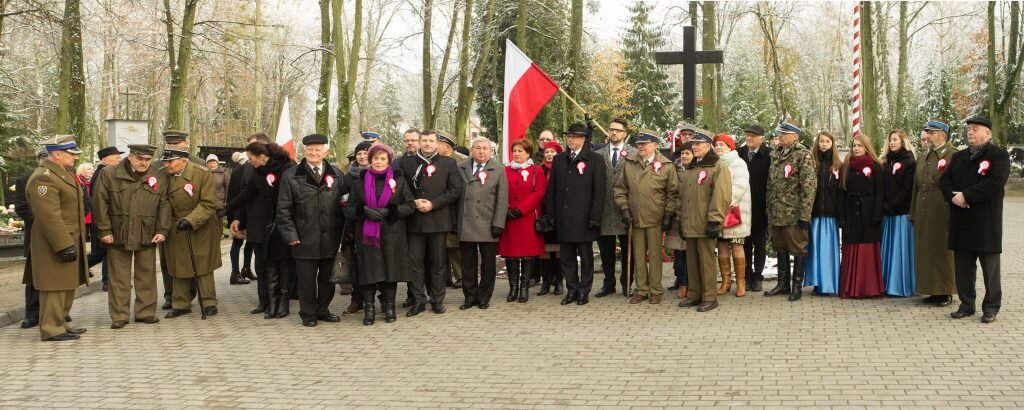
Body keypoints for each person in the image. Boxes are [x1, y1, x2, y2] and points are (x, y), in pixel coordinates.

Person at [941, 116, 1010, 323]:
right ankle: (966, 304)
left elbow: (995, 182)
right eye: (969, 129)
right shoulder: (960, 156)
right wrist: (954, 197)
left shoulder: (998, 155)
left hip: (985, 220)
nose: (970, 132)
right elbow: (945, 179)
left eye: (975, 129)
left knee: (990, 267)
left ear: (987, 134)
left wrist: (967, 196)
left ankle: (991, 307)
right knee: (963, 266)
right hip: (962, 219)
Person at [92, 145, 169, 329]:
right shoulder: (109, 174)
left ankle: (146, 312)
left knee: (146, 275)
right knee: (119, 277)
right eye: (140, 158)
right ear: (130, 157)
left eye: (147, 159)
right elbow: (99, 202)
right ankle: (119, 315)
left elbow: (164, 204)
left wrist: (162, 230)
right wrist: (105, 230)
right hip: (118, 232)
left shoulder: (158, 175)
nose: (144, 163)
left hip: (147, 232)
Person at [276, 134, 348, 327]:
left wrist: (343, 234)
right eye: (310, 149)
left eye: (318, 149)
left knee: (327, 278)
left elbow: (344, 205)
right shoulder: (291, 176)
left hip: (330, 237)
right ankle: (308, 313)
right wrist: (290, 235)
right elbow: (283, 210)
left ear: (326, 152)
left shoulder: (337, 174)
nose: (313, 153)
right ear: (304, 151)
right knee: (306, 281)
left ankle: (322, 309)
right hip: (303, 237)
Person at [345, 144, 418, 325]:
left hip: (392, 234)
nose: (379, 162)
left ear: (389, 161)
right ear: (370, 160)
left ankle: (389, 308)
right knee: (369, 271)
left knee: (389, 272)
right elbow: (348, 209)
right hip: (366, 236)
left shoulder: (399, 181)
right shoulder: (358, 182)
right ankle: (369, 310)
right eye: (376, 158)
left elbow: (410, 205)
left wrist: (391, 211)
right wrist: (362, 211)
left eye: (383, 159)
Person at [26, 135, 89, 341]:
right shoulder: (44, 177)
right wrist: (63, 245)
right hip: (54, 242)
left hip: (68, 238)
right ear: (57, 153)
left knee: (66, 283)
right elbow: (49, 216)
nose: (75, 158)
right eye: (72, 154)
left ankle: (60, 322)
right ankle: (51, 328)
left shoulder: (61, 173)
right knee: (54, 285)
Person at [398, 130, 465, 316]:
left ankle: (437, 300)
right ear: (419, 143)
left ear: (437, 144)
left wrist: (433, 204)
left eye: (431, 141)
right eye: (424, 140)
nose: (427, 144)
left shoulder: (449, 164)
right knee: (415, 263)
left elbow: (455, 190)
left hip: (438, 220)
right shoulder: (407, 164)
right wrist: (414, 201)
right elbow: (402, 188)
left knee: (438, 263)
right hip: (415, 220)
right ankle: (419, 300)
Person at [228, 142, 296, 319]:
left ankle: (283, 303)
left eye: (251, 158)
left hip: (283, 226)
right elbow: (246, 194)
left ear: (262, 156)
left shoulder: (287, 168)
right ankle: (269, 303)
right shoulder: (258, 172)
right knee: (267, 266)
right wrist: (225, 209)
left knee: (284, 266)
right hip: (265, 228)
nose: (249, 162)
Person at [614, 129, 679, 305]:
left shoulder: (666, 165)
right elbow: (620, 189)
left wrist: (668, 214)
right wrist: (625, 209)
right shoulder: (630, 163)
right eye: (639, 144)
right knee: (638, 255)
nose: (640, 147)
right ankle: (641, 289)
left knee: (656, 256)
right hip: (635, 218)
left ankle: (656, 290)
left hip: (656, 218)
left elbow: (672, 193)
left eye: (644, 144)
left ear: (655, 145)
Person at [545, 122, 606, 306]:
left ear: (583, 139)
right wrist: (551, 215)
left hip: (584, 219)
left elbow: (599, 192)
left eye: (575, 137)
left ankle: (584, 291)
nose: (571, 139)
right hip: (564, 219)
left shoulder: (594, 160)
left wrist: (595, 217)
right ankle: (571, 289)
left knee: (586, 258)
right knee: (567, 258)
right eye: (569, 136)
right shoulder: (559, 160)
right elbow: (552, 190)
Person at [159, 147, 221, 318]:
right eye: (165, 161)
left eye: (170, 161)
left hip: (200, 226)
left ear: (184, 160)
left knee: (202, 264)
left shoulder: (202, 174)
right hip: (174, 226)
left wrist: (191, 220)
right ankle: (180, 303)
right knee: (178, 265)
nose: (167, 165)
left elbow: (208, 203)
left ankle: (208, 301)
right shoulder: (164, 175)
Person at [676, 130, 731, 312]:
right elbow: (682, 196)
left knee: (706, 262)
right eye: (693, 143)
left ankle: (709, 297)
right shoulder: (691, 167)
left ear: (708, 146)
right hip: (690, 222)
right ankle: (695, 294)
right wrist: (681, 219)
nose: (695, 146)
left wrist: (715, 220)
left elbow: (721, 195)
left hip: (706, 222)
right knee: (692, 261)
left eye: (698, 143)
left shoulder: (717, 166)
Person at [764, 120, 816, 301]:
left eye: (784, 134)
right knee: (780, 247)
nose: (780, 136)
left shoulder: (802, 155)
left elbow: (808, 187)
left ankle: (796, 286)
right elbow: (771, 184)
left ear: (795, 136)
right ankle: (783, 284)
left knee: (798, 249)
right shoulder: (776, 153)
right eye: (780, 133)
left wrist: (805, 214)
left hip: (793, 212)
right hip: (776, 211)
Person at [455, 137, 508, 309]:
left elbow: (502, 199)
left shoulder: (499, 170)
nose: (482, 151)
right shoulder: (460, 168)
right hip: (466, 222)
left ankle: (484, 296)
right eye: (478, 148)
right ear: (471, 150)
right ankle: (469, 297)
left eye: (485, 148)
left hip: (488, 222)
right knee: (467, 264)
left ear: (491, 151)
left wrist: (498, 223)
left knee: (488, 264)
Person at [911, 120, 958, 307]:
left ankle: (945, 290)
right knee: (926, 250)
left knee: (942, 250)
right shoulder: (924, 156)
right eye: (927, 132)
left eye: (931, 132)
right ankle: (931, 289)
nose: (927, 136)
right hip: (924, 205)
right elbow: (916, 186)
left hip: (942, 206)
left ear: (943, 134)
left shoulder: (953, 155)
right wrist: (913, 212)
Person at [498, 138, 548, 303]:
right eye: (515, 151)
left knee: (527, 254)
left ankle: (524, 288)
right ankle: (513, 288)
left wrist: (520, 210)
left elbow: (539, 193)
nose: (517, 154)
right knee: (511, 254)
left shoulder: (536, 170)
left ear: (528, 153)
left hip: (527, 218)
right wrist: (506, 209)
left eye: (521, 151)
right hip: (509, 218)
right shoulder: (505, 170)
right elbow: (500, 191)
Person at [838, 134, 884, 299]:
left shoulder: (876, 166)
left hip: (869, 212)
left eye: (860, 146)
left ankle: (868, 287)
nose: (856, 148)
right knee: (851, 247)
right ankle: (851, 287)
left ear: (867, 147)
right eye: (854, 145)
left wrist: (877, 213)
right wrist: (841, 214)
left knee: (867, 249)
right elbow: (842, 191)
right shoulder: (847, 166)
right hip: (851, 213)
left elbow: (880, 192)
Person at [595, 118, 637, 298]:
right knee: (606, 250)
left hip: (626, 209)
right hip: (604, 208)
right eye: (611, 129)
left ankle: (627, 283)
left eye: (618, 130)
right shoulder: (598, 154)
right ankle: (608, 283)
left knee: (629, 249)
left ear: (625, 134)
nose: (614, 133)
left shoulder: (633, 153)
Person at [709, 133, 750, 297]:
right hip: (719, 212)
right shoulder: (714, 163)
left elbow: (740, 187)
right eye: (716, 145)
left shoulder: (738, 163)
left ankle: (741, 282)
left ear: (730, 147)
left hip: (735, 211)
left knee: (737, 246)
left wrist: (723, 203)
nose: (718, 147)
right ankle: (726, 281)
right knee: (722, 246)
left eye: (722, 145)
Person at [880, 130, 917, 297]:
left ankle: (901, 285)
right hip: (886, 213)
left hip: (901, 213)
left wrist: (893, 205)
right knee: (887, 249)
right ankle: (886, 283)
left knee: (900, 250)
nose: (892, 143)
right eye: (890, 140)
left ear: (903, 141)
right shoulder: (885, 162)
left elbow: (907, 189)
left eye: (895, 140)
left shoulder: (909, 161)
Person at [15, 150, 50, 329]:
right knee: (34, 276)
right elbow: (22, 208)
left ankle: (58, 312)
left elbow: (83, 203)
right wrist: (45, 223)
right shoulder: (25, 180)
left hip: (62, 234)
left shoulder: (66, 177)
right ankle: (32, 313)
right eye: (43, 158)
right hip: (36, 234)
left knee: (58, 275)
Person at [805, 131, 842, 296]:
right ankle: (817, 282)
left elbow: (841, 191)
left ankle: (829, 282)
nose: (824, 144)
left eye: (827, 141)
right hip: (816, 214)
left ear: (832, 144)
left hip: (831, 214)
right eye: (822, 141)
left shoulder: (838, 165)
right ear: (817, 143)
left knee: (828, 250)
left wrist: (840, 214)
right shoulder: (812, 163)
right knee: (816, 250)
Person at [340, 140, 374, 313]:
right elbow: (342, 199)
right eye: (359, 153)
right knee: (357, 265)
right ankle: (357, 299)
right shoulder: (348, 176)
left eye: (365, 153)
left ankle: (382, 298)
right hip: (355, 225)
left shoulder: (381, 173)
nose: (362, 156)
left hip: (376, 224)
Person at [736, 124, 770, 292]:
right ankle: (747, 275)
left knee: (760, 245)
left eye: (753, 135)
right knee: (745, 244)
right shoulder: (739, 154)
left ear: (761, 138)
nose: (749, 138)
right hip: (743, 208)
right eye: (747, 135)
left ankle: (757, 276)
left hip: (761, 207)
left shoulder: (769, 155)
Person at [89, 146, 123, 291]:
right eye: (116, 158)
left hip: (106, 220)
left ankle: (108, 281)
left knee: (106, 252)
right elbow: (100, 200)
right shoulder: (102, 174)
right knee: (102, 252)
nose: (119, 160)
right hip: (103, 220)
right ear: (105, 160)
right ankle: (106, 281)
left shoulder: (105, 172)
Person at [439, 132, 468, 289]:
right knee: (441, 245)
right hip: (440, 208)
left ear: (446, 146)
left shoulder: (462, 162)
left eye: (438, 143)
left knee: (455, 245)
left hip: (456, 207)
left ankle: (461, 275)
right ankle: (445, 277)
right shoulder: (435, 160)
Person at [537, 141, 563, 296]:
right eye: (547, 152)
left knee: (558, 250)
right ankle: (545, 282)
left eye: (552, 152)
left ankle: (558, 281)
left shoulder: (561, 169)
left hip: (558, 213)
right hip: (543, 213)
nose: (549, 155)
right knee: (544, 250)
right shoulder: (538, 169)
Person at [226, 151, 253, 285]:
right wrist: (233, 217)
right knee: (237, 242)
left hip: (250, 213)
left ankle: (246, 268)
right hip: (239, 213)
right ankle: (235, 273)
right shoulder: (237, 173)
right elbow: (232, 195)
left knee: (251, 242)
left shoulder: (255, 170)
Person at [206, 154, 229, 228]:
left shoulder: (223, 173)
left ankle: (218, 238)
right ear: (207, 164)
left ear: (217, 163)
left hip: (219, 203)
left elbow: (228, 187)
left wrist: (226, 200)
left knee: (218, 225)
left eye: (214, 163)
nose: (212, 165)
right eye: (210, 163)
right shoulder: (204, 173)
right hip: (206, 202)